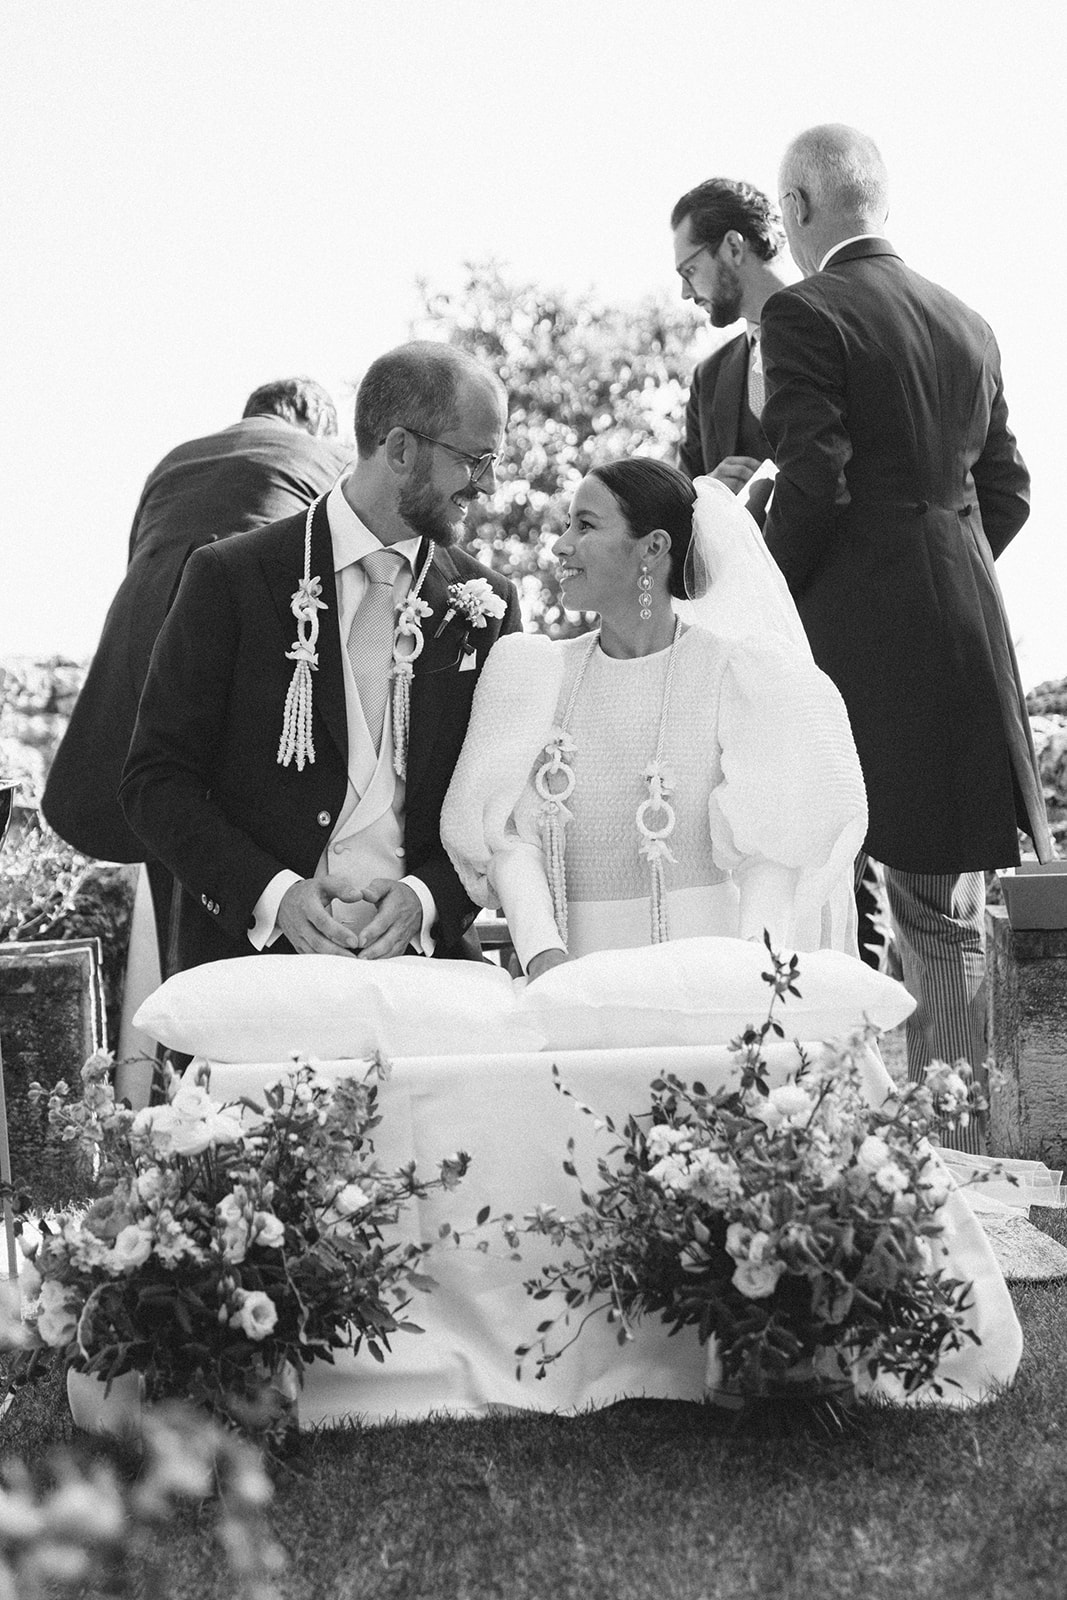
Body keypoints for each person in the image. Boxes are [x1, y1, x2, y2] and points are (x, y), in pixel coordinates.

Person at [761, 124, 1051, 1143]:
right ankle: (949, 1153)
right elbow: (1007, 492)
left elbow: (812, 480)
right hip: (966, 640)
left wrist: (767, 603)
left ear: (798, 207)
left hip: (858, 656)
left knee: (875, 907)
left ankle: (940, 1168)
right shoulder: (966, 322)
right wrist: (937, 573)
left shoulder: (804, 312)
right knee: (938, 911)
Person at [120, 342, 520, 975]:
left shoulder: (488, 603)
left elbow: (502, 806)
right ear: (399, 450)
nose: (490, 484)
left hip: (427, 978)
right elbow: (155, 782)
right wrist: (273, 896)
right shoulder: (230, 577)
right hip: (258, 977)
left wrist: (427, 900)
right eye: (476, 459)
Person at [442, 457, 867, 980]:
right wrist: (543, 956)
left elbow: (772, 854)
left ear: (653, 547)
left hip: (716, 983)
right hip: (573, 986)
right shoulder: (535, 675)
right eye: (568, 524)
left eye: (585, 525)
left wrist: (754, 976)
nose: (561, 545)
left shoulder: (742, 676)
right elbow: (508, 838)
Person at [42, 377, 351, 973]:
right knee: (262, 827)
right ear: (317, 422)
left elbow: (138, 554)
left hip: (144, 647)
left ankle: (182, 1007)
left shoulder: (175, 460)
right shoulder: (326, 458)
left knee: (169, 817)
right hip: (249, 641)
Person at [670, 178, 792, 506]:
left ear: (733, 247)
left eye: (689, 270)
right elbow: (677, 506)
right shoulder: (708, 379)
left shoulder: (835, 329)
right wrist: (705, 493)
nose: (685, 293)